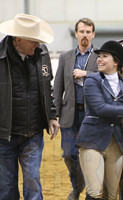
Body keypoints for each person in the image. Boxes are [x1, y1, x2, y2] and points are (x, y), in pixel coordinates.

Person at [0, 13, 60, 200]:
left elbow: (46, 87)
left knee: (33, 183)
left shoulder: (42, 55)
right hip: (3, 137)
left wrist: (51, 115)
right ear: (18, 38)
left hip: (33, 134)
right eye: (34, 41)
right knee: (6, 187)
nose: (38, 45)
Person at [76, 40, 123, 200]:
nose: (99, 59)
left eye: (105, 56)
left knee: (111, 195)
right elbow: (100, 108)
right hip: (92, 141)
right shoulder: (92, 81)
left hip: (116, 144)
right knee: (95, 192)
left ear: (116, 62)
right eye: (99, 56)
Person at [53, 18, 98, 200]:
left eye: (88, 32)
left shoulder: (100, 57)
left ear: (93, 34)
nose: (85, 35)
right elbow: (57, 88)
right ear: (76, 34)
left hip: (91, 117)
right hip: (69, 115)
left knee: (89, 156)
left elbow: (108, 77)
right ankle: (77, 185)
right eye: (82, 31)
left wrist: (86, 73)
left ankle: (89, 190)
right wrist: (54, 115)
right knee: (69, 155)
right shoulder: (65, 57)